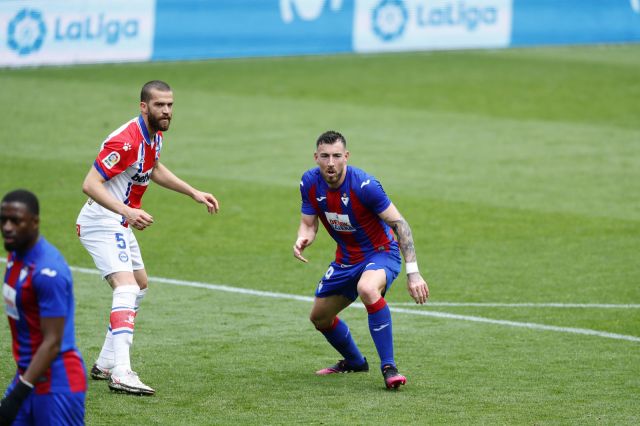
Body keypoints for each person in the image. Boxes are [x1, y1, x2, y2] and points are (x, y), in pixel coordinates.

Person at [76, 80, 219, 396]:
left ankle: (105, 362)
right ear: (143, 106)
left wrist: (193, 192)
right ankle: (122, 373)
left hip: (119, 221)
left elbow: (152, 168)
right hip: (102, 221)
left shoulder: (154, 136)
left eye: (170, 105)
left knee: (139, 286)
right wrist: (127, 211)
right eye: (159, 105)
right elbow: (90, 184)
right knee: (126, 287)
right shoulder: (126, 141)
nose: (166, 111)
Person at [293, 131, 429, 389]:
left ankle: (389, 367)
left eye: (336, 156)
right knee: (320, 318)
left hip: (381, 253)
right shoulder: (309, 182)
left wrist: (414, 273)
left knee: (367, 288)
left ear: (346, 157)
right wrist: (303, 238)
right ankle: (355, 362)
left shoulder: (365, 186)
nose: (330, 163)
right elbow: (308, 225)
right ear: (316, 157)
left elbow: (401, 225)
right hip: (346, 259)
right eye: (324, 156)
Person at [1, 189, 86, 425]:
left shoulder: (48, 272)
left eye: (16, 221)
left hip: (58, 385)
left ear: (35, 222)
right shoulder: (16, 256)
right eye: (3, 220)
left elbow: (52, 342)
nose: (8, 227)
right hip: (27, 375)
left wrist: (18, 394)